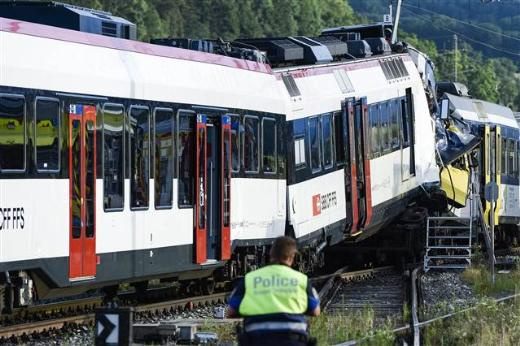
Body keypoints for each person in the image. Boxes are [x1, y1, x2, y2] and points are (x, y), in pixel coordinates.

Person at [227, 236, 320, 346]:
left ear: (271, 254)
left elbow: (231, 311)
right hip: (293, 339)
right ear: (292, 257)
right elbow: (315, 311)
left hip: (257, 339)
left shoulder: (250, 279)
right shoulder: (301, 280)